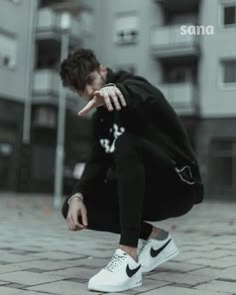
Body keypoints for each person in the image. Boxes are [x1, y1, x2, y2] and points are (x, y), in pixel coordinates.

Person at [60, 48, 204, 292]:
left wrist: (117, 90)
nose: (88, 92)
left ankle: (128, 256)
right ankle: (157, 239)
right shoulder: (101, 118)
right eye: (79, 89)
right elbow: (96, 162)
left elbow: (144, 95)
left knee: (126, 142)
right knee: (74, 205)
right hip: (141, 191)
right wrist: (78, 194)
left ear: (103, 71)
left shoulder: (133, 86)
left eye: (90, 82)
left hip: (178, 185)